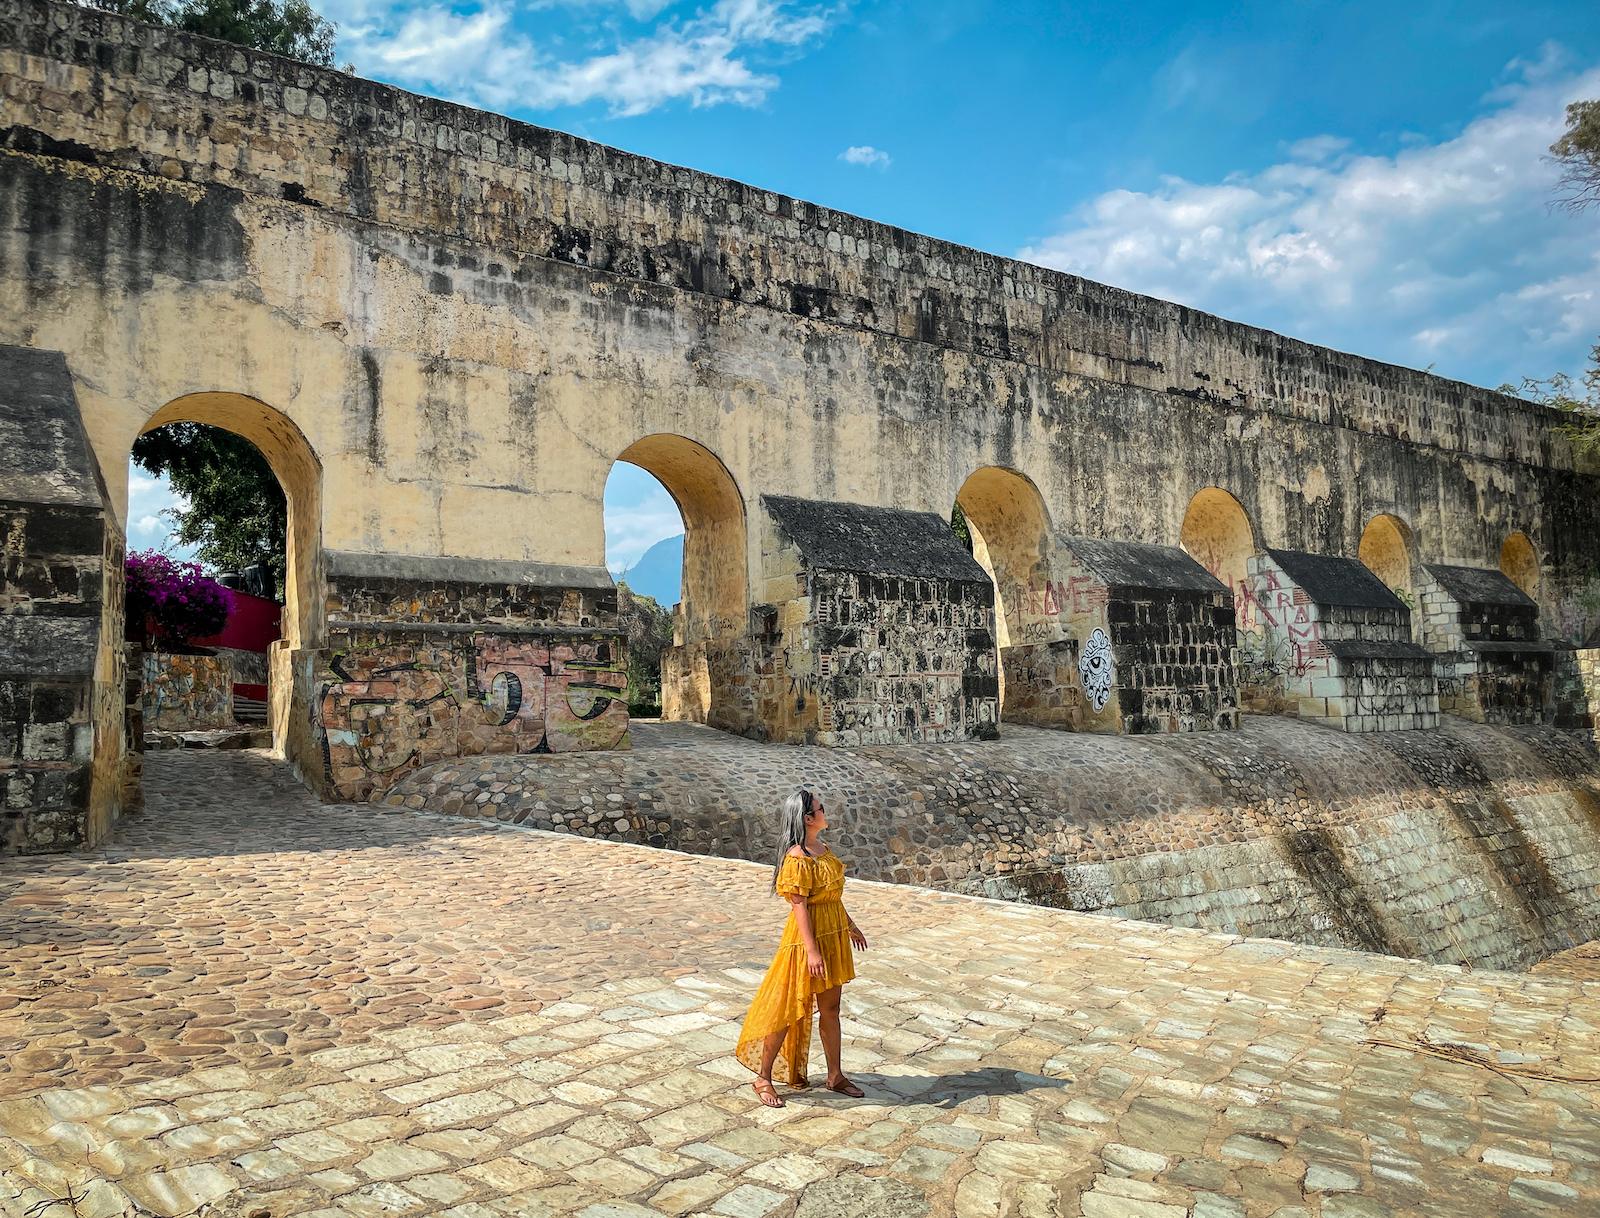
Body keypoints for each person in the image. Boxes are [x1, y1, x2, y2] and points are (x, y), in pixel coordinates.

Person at [734, 788, 870, 1108]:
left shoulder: (822, 849)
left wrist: (850, 925)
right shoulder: (798, 857)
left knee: (831, 1009)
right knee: (786, 1008)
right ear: (808, 818)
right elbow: (799, 907)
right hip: (805, 941)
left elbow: (831, 895)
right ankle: (763, 1077)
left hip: (833, 934)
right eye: (821, 809)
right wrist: (812, 951)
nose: (825, 812)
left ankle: (835, 1075)